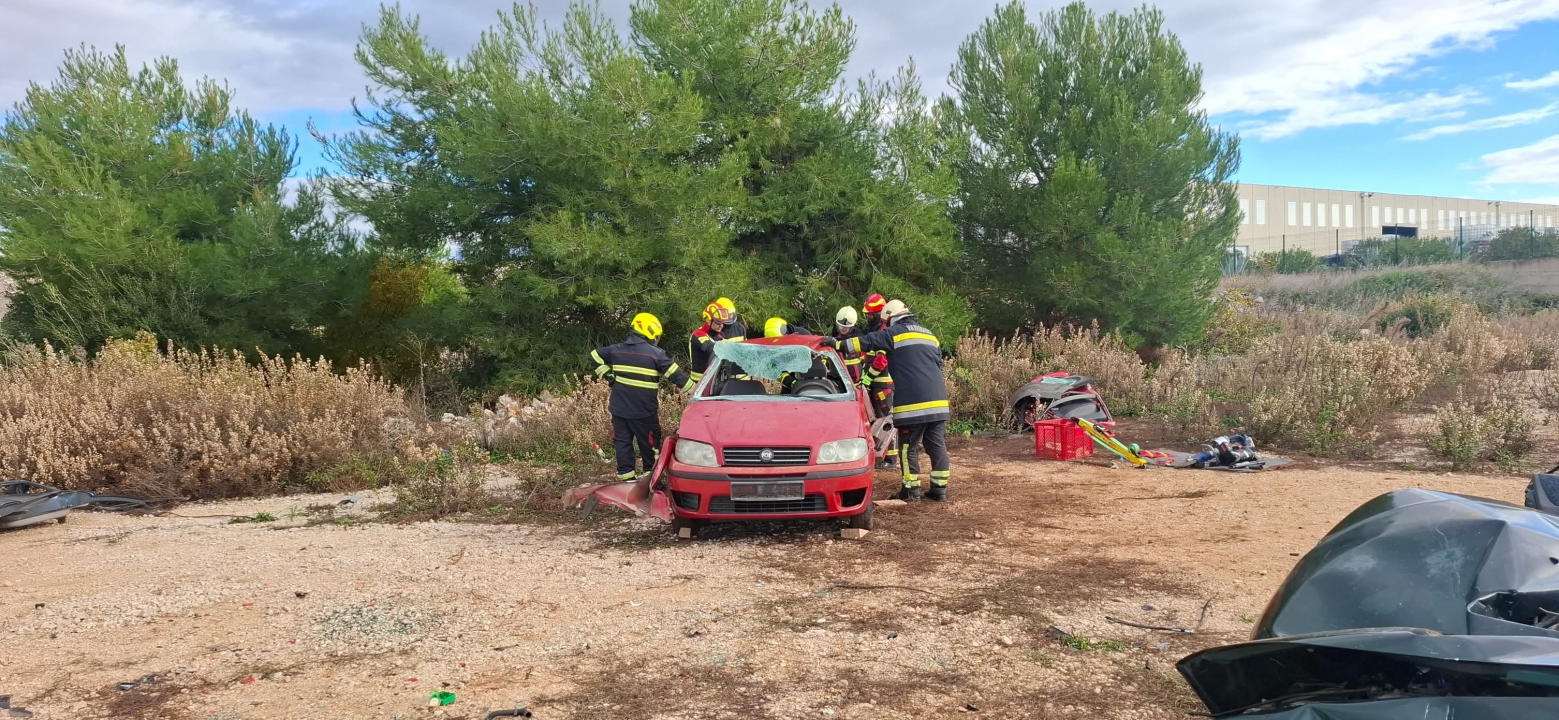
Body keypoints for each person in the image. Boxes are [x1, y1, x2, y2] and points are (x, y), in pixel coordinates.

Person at [823, 299, 950, 501]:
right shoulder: (930, 335)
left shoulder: (894, 333)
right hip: (939, 402)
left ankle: (911, 490)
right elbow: (937, 365)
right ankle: (939, 489)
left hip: (913, 404)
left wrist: (836, 343)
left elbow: (865, 341)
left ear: (891, 317)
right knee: (936, 445)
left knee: (908, 447)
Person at [591, 313, 694, 482]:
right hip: (644, 412)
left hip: (619, 410)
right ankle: (651, 478)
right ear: (651, 332)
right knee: (650, 444)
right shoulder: (656, 354)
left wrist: (607, 374)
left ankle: (627, 480)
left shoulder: (615, 350)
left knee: (622, 442)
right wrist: (698, 393)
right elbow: (678, 377)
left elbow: (594, 356)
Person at [688, 298, 746, 384]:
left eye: (723, 323)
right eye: (718, 322)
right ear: (708, 320)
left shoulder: (718, 335)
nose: (721, 326)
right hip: (700, 384)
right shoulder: (699, 334)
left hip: (714, 382)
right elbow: (712, 349)